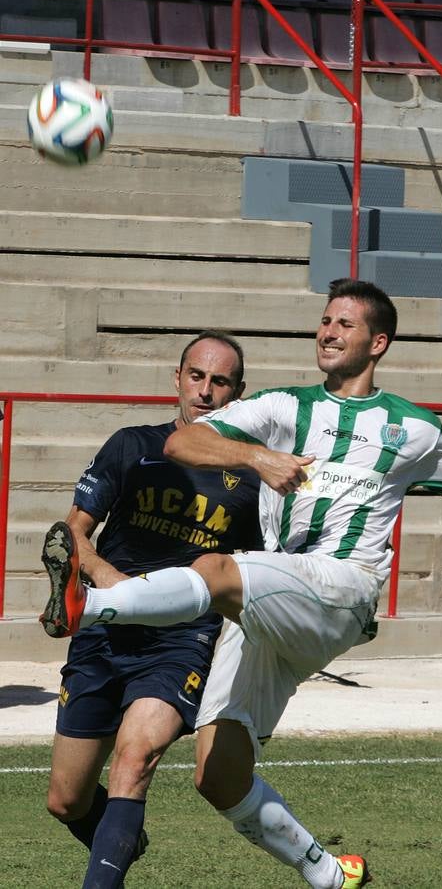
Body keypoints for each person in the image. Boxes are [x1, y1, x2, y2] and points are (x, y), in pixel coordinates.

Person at [40, 279, 442, 889]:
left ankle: (89, 607)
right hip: (272, 605)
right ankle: (330, 873)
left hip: (342, 588)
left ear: (378, 342)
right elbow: (183, 439)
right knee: (217, 775)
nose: (327, 332)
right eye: (325, 320)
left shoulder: (410, 428)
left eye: (344, 324)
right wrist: (257, 457)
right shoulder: (283, 408)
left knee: (214, 570)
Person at [42, 330, 263, 888]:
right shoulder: (131, 444)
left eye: (220, 382)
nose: (206, 392)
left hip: (180, 638)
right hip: (104, 627)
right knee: (66, 800)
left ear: (238, 392)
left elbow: (259, 572)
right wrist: (110, 581)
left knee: (135, 758)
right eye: (197, 376)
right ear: (177, 379)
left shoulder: (255, 480)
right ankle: (122, 839)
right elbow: (75, 533)